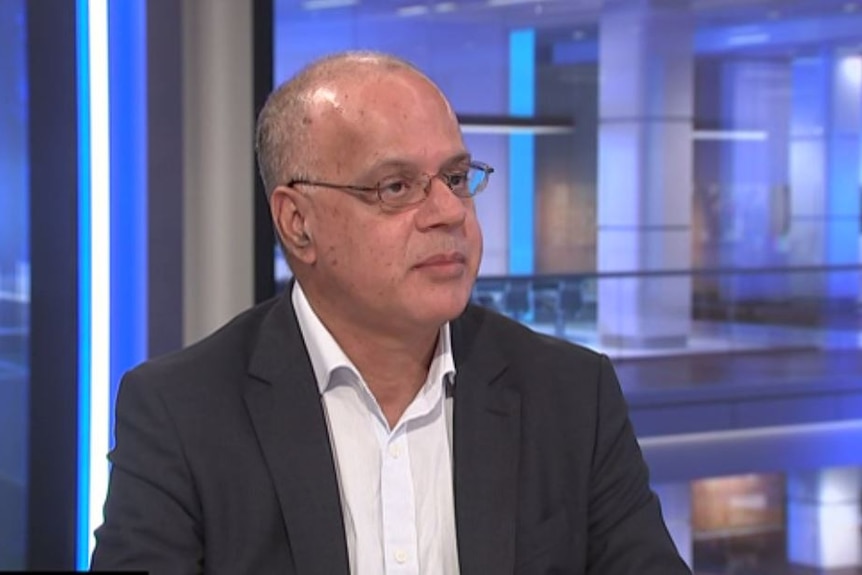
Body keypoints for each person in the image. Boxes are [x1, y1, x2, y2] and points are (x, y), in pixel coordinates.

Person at [91, 51, 691, 575]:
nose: (449, 212)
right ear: (298, 224)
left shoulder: (571, 394)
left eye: (456, 178)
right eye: (396, 188)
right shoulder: (181, 413)